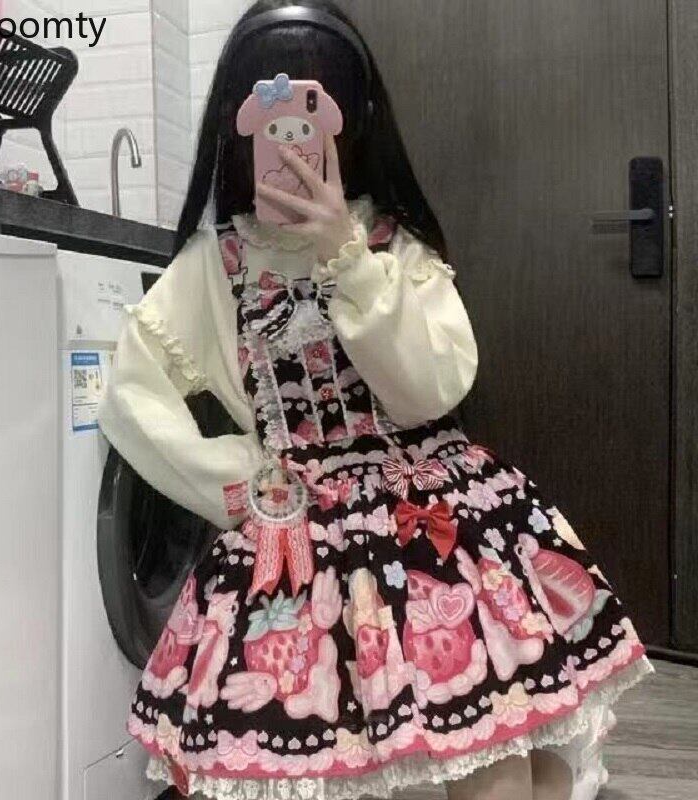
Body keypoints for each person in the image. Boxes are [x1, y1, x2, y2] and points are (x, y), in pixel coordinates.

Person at [96, 2, 654, 799]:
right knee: (307, 752)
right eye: (271, 120)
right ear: (238, 126)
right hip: (298, 536)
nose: (292, 140)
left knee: (497, 738)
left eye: (311, 113)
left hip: (438, 528)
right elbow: (131, 389)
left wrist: (344, 255)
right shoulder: (217, 264)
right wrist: (239, 482)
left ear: (352, 122)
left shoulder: (391, 244)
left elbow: (429, 392)